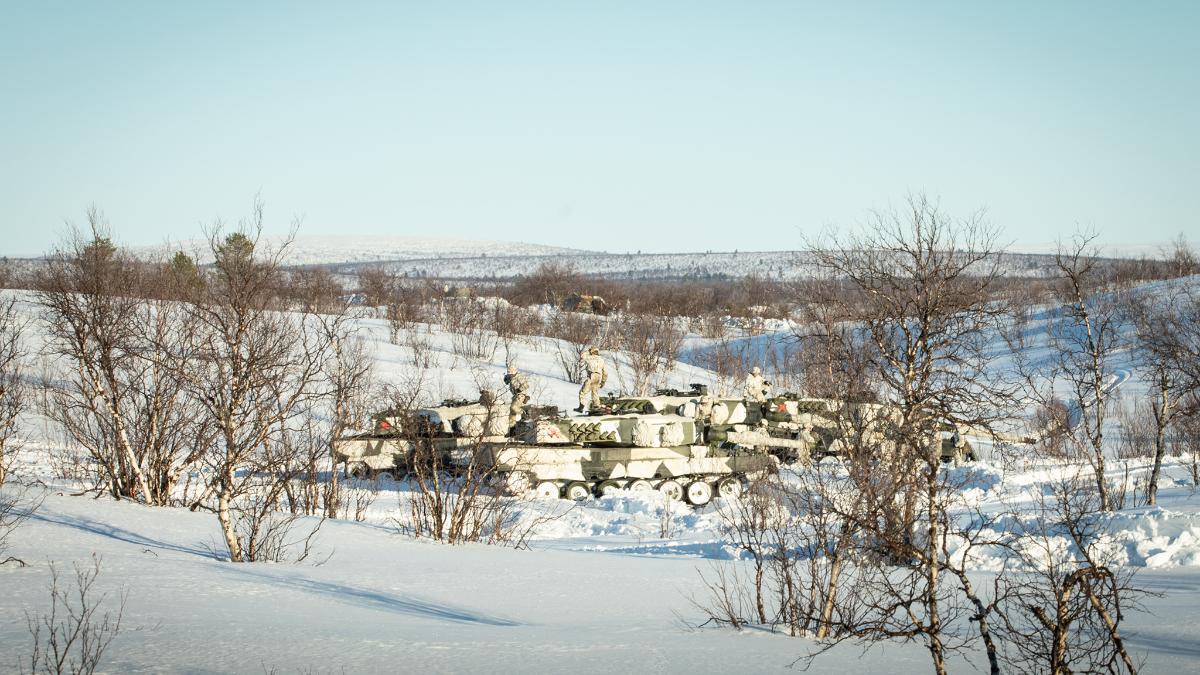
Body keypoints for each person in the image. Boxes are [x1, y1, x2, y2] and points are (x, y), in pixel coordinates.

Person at [576, 347, 607, 413]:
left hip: (591, 375)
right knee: (595, 392)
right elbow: (605, 373)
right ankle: (596, 406)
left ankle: (581, 407)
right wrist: (603, 382)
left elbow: (582, 356)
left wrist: (588, 351)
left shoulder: (590, 357)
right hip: (598, 377)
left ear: (591, 351)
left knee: (583, 392)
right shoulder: (601, 360)